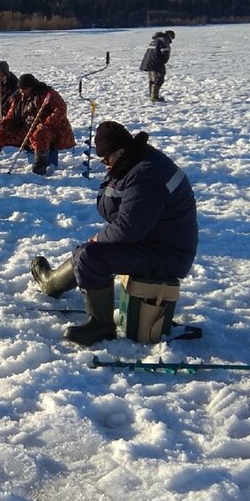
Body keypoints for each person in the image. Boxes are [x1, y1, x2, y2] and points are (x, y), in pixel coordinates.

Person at [31, 121, 198, 346]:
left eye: (106, 159)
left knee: (92, 255)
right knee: (88, 252)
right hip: (153, 241)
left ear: (119, 151)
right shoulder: (134, 161)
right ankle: (52, 283)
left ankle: (101, 325)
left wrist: (99, 239)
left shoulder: (146, 175)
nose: (106, 165)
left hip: (167, 255)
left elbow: (129, 228)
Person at [0, 73, 74, 175]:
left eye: (24, 89)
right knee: (0, 133)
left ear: (31, 87)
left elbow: (61, 109)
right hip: (26, 129)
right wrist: (2, 124)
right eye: (20, 89)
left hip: (51, 130)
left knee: (40, 133)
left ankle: (40, 165)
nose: (21, 92)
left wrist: (46, 123)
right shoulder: (18, 98)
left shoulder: (47, 94)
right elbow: (11, 116)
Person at [140, 30, 175, 101]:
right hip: (156, 63)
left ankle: (152, 96)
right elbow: (165, 53)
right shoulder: (164, 41)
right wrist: (163, 61)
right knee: (159, 79)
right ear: (170, 36)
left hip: (148, 62)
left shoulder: (154, 41)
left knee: (152, 80)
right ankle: (154, 97)